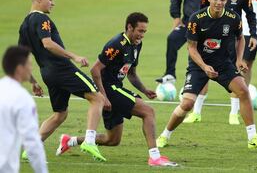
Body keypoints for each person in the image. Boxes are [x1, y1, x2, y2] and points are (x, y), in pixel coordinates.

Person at [56, 13, 178, 167]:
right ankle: (154, 157)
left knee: (112, 140)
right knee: (148, 112)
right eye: (140, 31)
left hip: (116, 88)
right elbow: (95, 70)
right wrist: (103, 96)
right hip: (109, 89)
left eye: (144, 31)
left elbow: (131, 73)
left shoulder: (136, 44)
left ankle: (70, 140)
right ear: (129, 27)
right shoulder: (116, 45)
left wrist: (144, 89)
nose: (142, 35)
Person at [156, 0, 257, 149]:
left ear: (226, 0)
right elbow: (192, 48)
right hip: (199, 65)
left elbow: (240, 39)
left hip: (223, 64)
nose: (219, 2)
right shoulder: (196, 19)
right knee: (187, 104)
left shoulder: (233, 18)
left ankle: (252, 137)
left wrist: (239, 59)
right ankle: (164, 136)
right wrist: (204, 67)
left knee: (243, 91)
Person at [18, 0, 106, 161]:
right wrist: (74, 56)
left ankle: (30, 149)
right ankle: (89, 141)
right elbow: (48, 43)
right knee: (98, 98)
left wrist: (33, 82)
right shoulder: (42, 19)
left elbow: (21, 56)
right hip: (62, 69)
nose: (53, 3)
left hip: (47, 73)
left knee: (60, 114)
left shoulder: (24, 24)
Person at [183, 0, 257, 125]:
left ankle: (233, 113)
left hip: (230, 41)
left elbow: (250, 15)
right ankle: (196, 112)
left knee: (236, 78)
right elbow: (201, 11)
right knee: (205, 74)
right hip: (209, 39)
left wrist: (254, 35)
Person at [155, 0, 218, 84]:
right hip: (187, 23)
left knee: (198, 53)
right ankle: (170, 74)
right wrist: (176, 17)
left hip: (207, 24)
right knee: (172, 39)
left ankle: (197, 82)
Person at [0, 46, 48, 173]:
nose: (31, 69)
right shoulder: (22, 99)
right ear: (19, 68)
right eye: (29, 64)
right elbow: (32, 142)